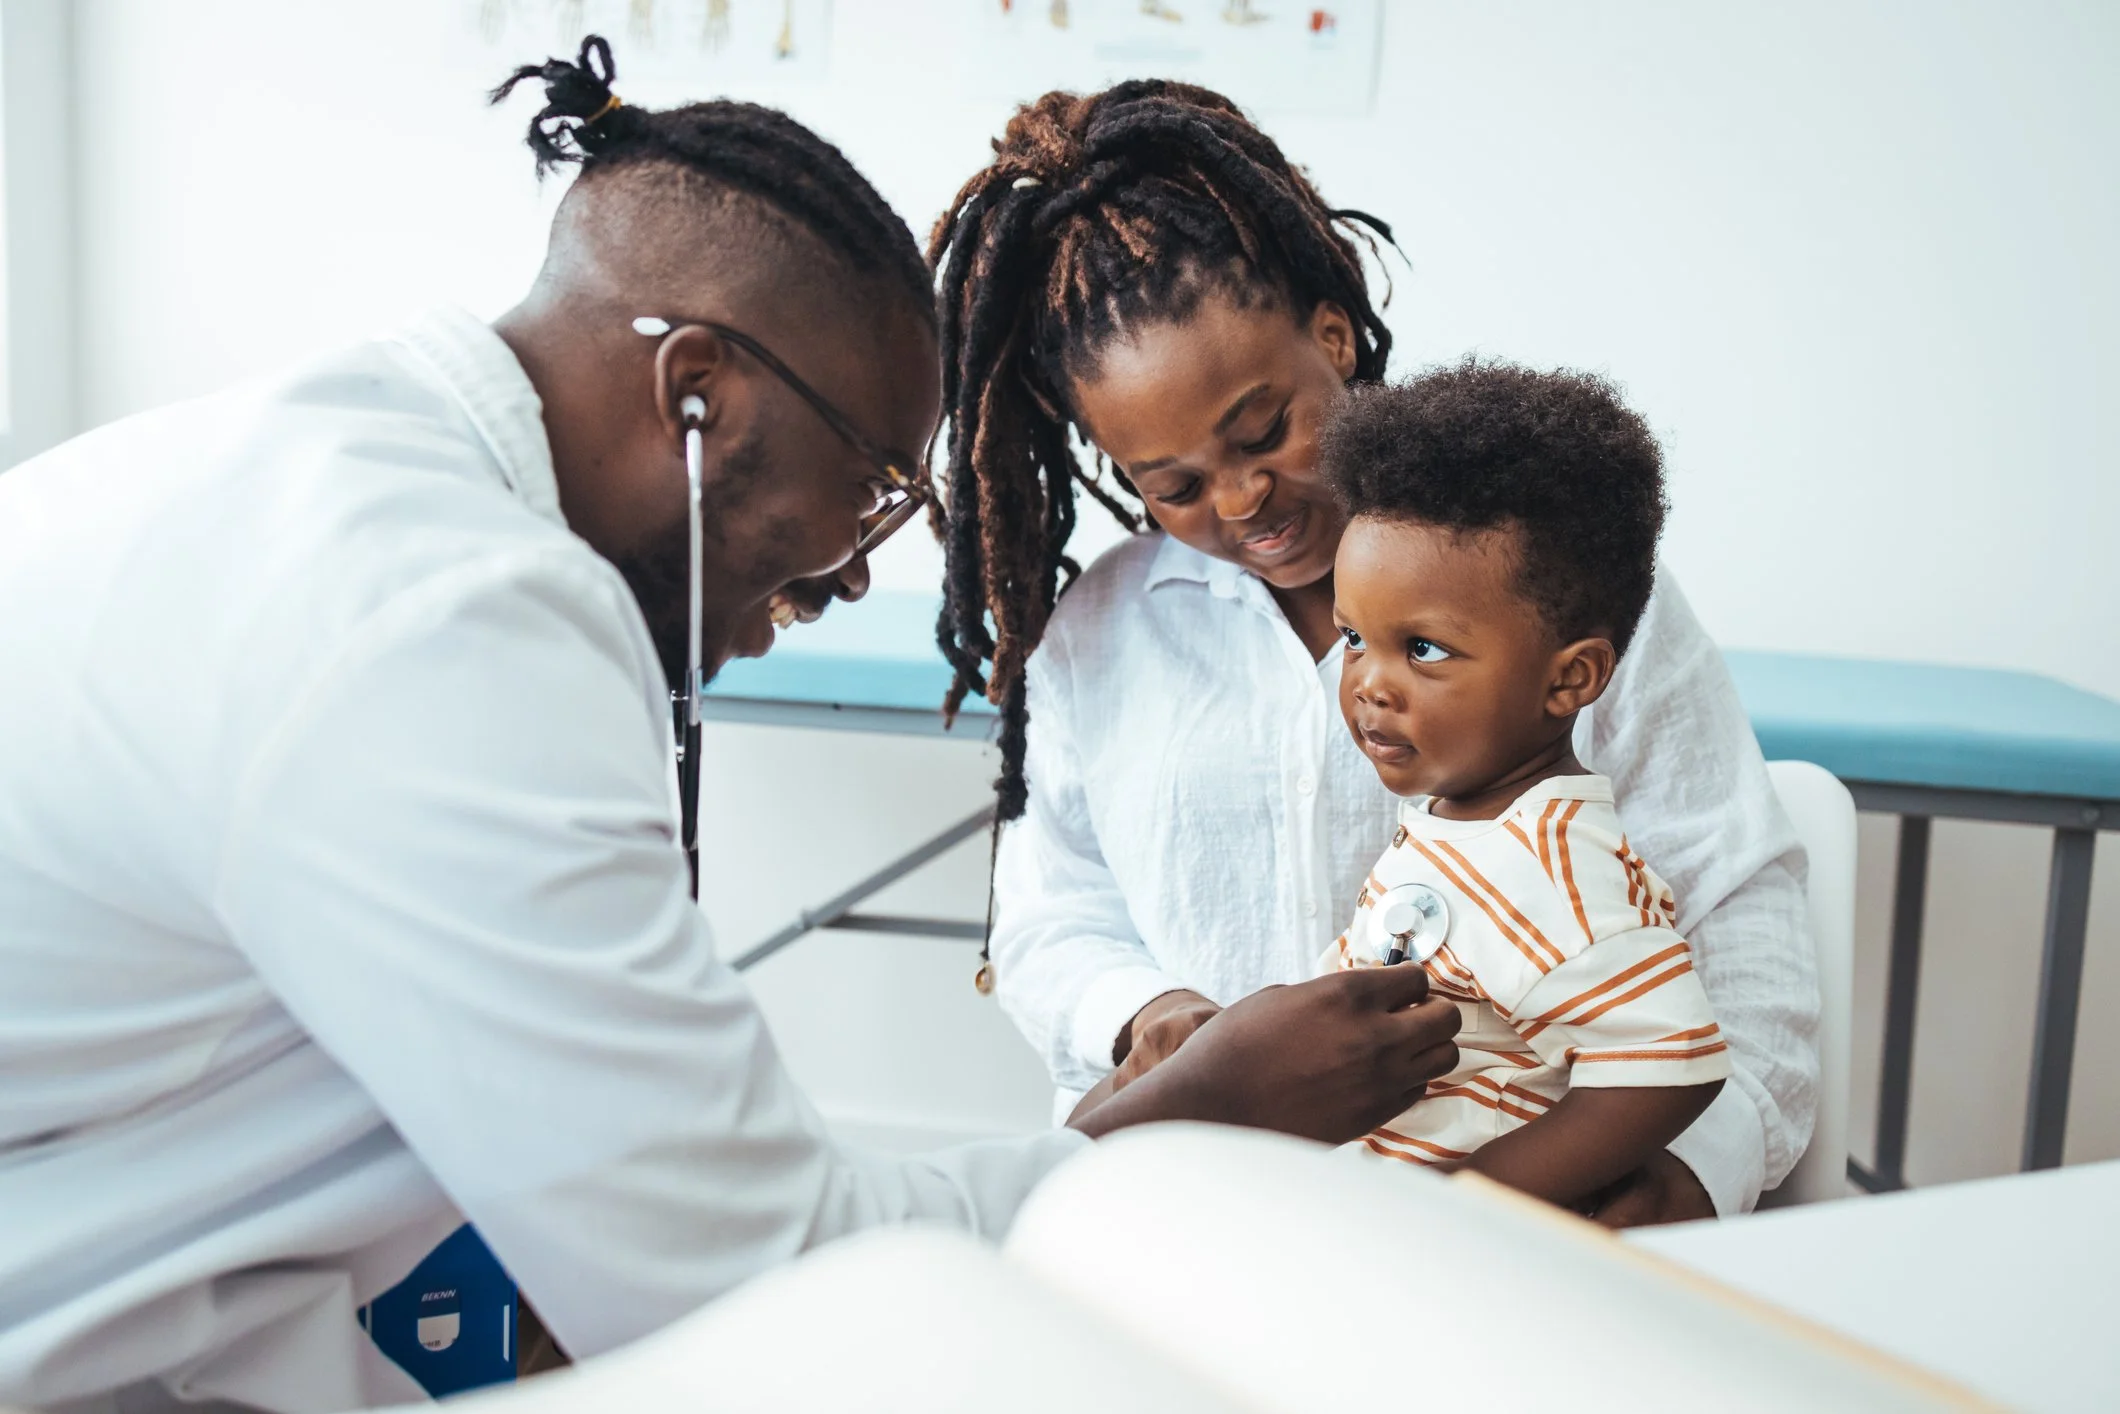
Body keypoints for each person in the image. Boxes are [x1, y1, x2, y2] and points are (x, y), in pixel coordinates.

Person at [0, 44, 1462, 1412]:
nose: (850, 571)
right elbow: (756, 1279)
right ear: (698, 392)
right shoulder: (442, 618)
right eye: (875, 480)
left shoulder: (321, 476)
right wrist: (1191, 1113)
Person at [930, 80, 1820, 1225]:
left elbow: (1734, 903)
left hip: (1497, 1215)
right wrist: (1149, 1014)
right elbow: (1050, 916)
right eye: (1174, 486)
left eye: (1263, 432)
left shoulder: (1545, 579)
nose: (1243, 499)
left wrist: (1695, 1169)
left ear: (1332, 337)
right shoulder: (1097, 637)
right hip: (1200, 1196)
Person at [1096, 362, 1733, 1210]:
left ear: (1569, 679)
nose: (1368, 684)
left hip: (1430, 1259)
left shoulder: (1551, 868)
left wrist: (1471, 1204)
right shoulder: (1462, 818)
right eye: (1355, 636)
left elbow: (1672, 1066)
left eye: (1424, 650)